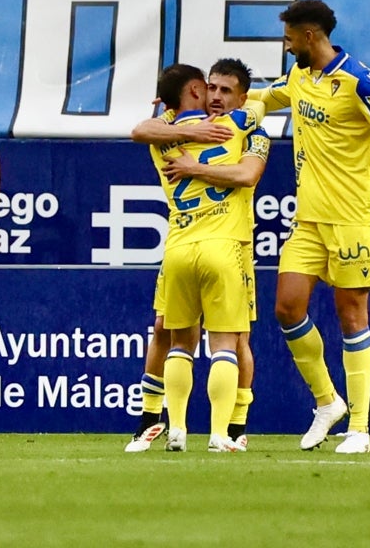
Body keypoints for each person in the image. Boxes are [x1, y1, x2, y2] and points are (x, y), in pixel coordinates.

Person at [250, 0, 370, 454]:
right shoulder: (299, 76)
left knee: (351, 315)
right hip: (309, 219)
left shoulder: (359, 81)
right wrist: (209, 110)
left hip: (355, 217)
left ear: (310, 35)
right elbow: (264, 100)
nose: (285, 43)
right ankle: (327, 402)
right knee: (287, 308)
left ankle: (360, 428)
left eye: (289, 36)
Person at [124, 59, 269, 453]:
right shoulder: (244, 126)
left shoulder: (164, 137)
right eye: (211, 88)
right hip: (224, 246)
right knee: (222, 342)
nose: (216, 97)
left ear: (241, 94)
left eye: (224, 91)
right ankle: (219, 433)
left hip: (180, 248)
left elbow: (141, 129)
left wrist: (188, 163)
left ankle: (181, 428)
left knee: (181, 342)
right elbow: (246, 171)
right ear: (196, 91)